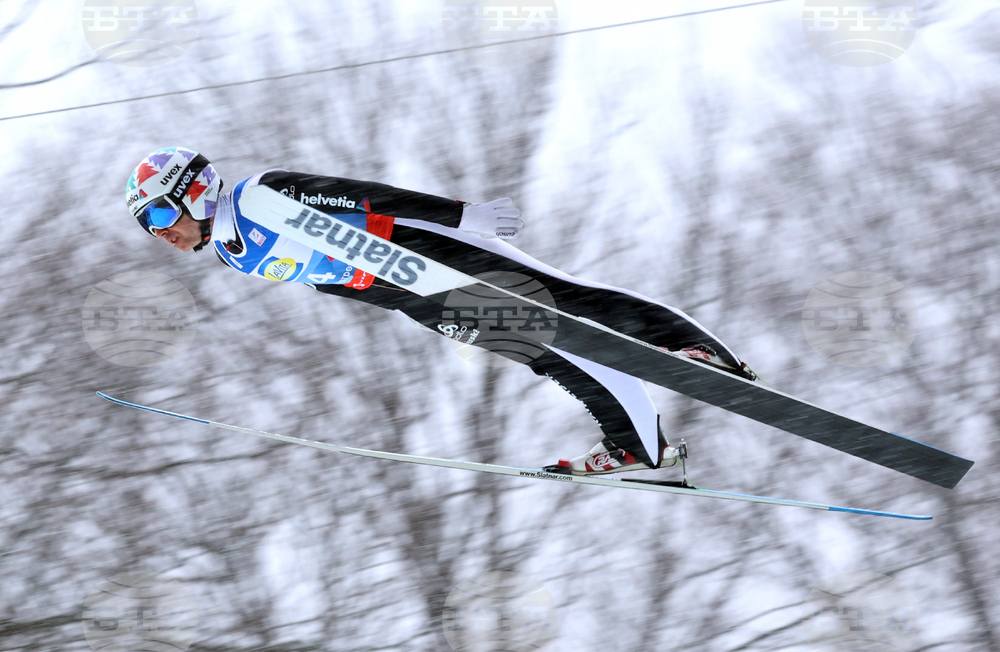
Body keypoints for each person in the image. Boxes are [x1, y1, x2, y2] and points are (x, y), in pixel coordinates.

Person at [126, 147, 755, 476]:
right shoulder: (232, 254)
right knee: (545, 346)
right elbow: (328, 278)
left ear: (194, 190)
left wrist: (462, 216)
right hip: (410, 289)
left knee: (566, 300)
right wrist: (404, 303)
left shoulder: (257, 196)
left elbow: (361, 196)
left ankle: (697, 353)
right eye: (148, 228)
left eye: (159, 215)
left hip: (420, 246)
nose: (161, 234)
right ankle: (639, 452)